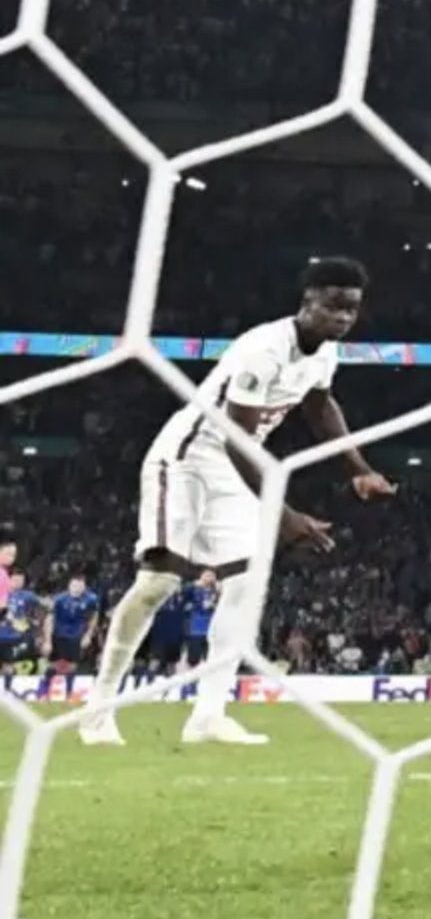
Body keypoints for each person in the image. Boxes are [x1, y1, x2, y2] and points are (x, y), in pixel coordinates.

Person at [79, 257, 396, 747]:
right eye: (333, 306)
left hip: (230, 468)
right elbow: (235, 438)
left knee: (247, 582)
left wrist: (359, 469)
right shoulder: (263, 348)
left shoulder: (323, 354)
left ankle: (209, 715)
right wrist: (285, 515)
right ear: (307, 302)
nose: (343, 318)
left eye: (351, 309)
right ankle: (98, 710)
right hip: (184, 458)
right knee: (158, 581)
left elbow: (320, 406)